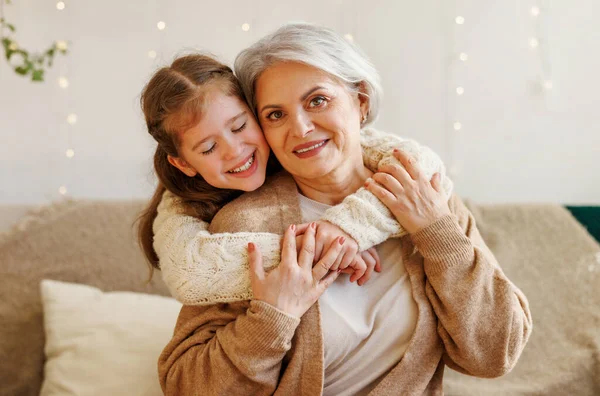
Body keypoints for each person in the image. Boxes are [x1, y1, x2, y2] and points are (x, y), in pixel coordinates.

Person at [156, 23, 532, 395]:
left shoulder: (426, 194)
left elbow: (495, 354)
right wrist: (271, 318)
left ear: (361, 101)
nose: (300, 128)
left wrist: (436, 233)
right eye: (275, 114)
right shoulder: (245, 225)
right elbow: (184, 384)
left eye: (317, 100)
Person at [138, 54, 452, 305]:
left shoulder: (301, 146)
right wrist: (316, 250)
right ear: (183, 163)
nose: (235, 151)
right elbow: (187, 271)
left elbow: (422, 165)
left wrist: (344, 230)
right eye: (208, 148)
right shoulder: (181, 203)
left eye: (238, 127)